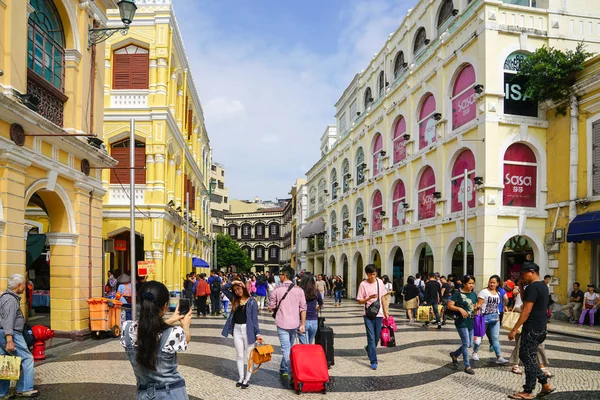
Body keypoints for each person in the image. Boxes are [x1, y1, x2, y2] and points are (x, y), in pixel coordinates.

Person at [121, 280, 193, 400]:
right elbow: (186, 339)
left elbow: (148, 329)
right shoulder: (174, 333)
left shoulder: (126, 329)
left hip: (144, 394)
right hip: (172, 394)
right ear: (165, 307)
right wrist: (185, 326)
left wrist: (171, 319)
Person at [507, 262, 554, 399]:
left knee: (526, 357)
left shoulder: (533, 287)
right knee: (529, 357)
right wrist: (521, 288)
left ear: (532, 272)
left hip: (532, 327)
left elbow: (526, 310)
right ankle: (535, 388)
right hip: (541, 328)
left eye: (524, 274)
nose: (523, 277)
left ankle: (536, 387)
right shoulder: (543, 286)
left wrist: (514, 329)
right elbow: (526, 301)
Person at [0, 274, 38, 398]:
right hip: (11, 334)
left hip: (4, 333)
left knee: (6, 361)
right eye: (23, 285)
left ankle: (3, 392)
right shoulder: (10, 300)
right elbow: (8, 320)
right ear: (18, 286)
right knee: (27, 358)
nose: (24, 287)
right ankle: (24, 388)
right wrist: (9, 339)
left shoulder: (5, 298)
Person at [221, 280, 262, 389]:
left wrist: (257, 333)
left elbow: (254, 319)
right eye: (235, 290)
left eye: (239, 289)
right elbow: (224, 289)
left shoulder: (252, 302)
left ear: (243, 288)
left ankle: (247, 379)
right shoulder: (235, 300)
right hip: (237, 330)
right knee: (239, 355)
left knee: (249, 356)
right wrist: (233, 282)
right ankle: (241, 377)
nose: (237, 292)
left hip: (248, 330)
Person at [508, 279, 552, 377]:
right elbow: (519, 305)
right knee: (520, 343)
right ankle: (515, 364)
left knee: (539, 344)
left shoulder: (535, 288)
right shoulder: (522, 289)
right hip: (521, 316)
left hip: (534, 319)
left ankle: (541, 366)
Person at [268, 267, 306, 378]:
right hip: (295, 323)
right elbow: (303, 308)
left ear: (284, 276)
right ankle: (284, 368)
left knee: (286, 348)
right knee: (288, 347)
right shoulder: (299, 290)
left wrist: (272, 307)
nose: (279, 277)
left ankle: (291, 372)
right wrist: (302, 324)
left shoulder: (277, 290)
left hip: (282, 323)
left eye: (280, 274)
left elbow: (271, 307)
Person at [356, 264, 389, 370]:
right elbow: (359, 301)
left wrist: (386, 313)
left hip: (378, 314)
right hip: (368, 314)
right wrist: (368, 298)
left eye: (374, 274)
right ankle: (373, 361)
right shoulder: (363, 284)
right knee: (371, 338)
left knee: (376, 338)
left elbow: (383, 298)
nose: (372, 277)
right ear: (367, 274)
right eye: (370, 275)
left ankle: (369, 348)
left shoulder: (380, 282)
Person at [472, 275, 508, 364]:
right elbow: (478, 305)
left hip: (495, 317)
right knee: (479, 336)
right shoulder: (484, 292)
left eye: (494, 282)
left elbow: (498, 305)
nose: (491, 284)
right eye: (490, 282)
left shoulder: (498, 293)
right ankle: (475, 352)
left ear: (497, 283)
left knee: (495, 338)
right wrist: (477, 315)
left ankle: (499, 357)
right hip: (484, 317)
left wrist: (504, 308)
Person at [448, 274, 477, 375]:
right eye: (469, 283)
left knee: (469, 344)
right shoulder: (458, 293)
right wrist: (459, 308)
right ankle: (467, 366)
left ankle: (454, 354)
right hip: (461, 321)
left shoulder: (473, 294)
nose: (471, 285)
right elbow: (450, 305)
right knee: (465, 343)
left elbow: (473, 305)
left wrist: (477, 308)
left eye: (473, 283)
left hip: (471, 320)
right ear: (464, 283)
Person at [298, 274, 323, 344]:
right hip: (314, 321)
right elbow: (321, 303)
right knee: (310, 344)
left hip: (302, 320)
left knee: (304, 345)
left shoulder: (300, 292)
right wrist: (317, 308)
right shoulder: (316, 291)